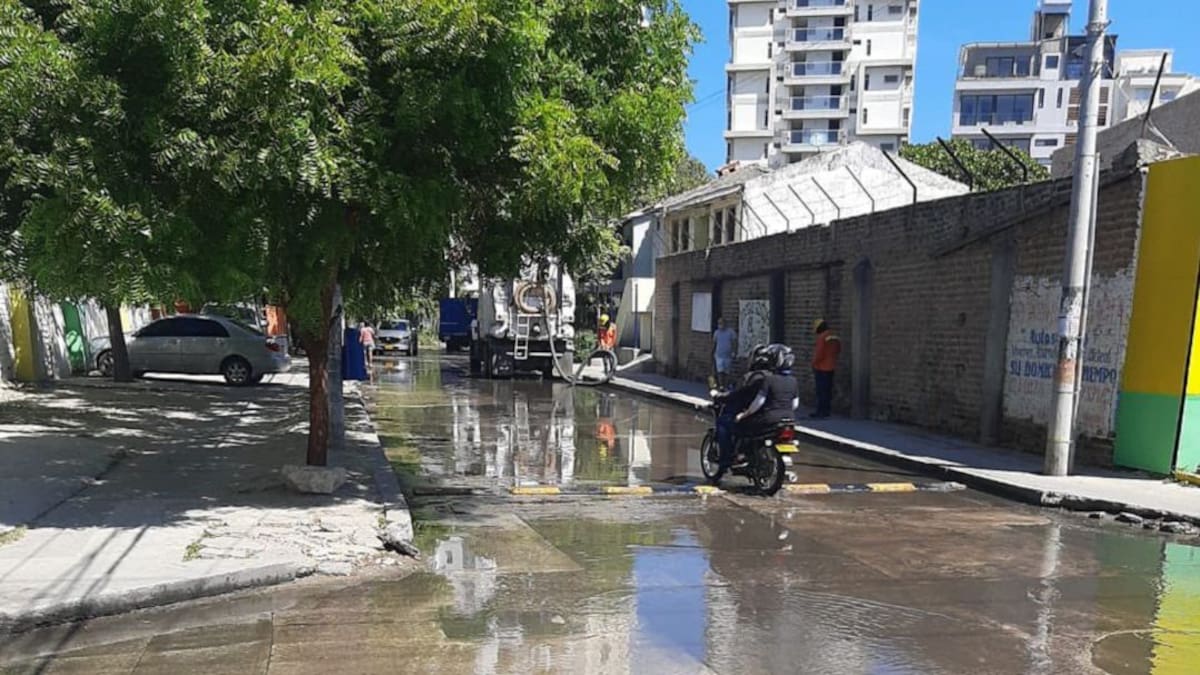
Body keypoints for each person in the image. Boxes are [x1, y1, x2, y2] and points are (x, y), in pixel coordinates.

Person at [711, 344, 772, 474]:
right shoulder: (775, 378)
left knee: (722, 423)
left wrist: (720, 397)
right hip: (770, 418)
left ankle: (725, 460)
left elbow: (737, 394)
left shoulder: (751, 378)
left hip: (752, 417)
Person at [734, 343, 800, 443]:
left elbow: (758, 402)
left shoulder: (769, 380)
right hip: (789, 420)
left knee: (742, 428)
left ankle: (741, 456)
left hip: (769, 420)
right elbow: (794, 404)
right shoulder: (793, 381)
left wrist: (744, 414)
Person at [811, 319, 841, 419]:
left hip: (821, 367)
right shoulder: (833, 336)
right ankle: (827, 410)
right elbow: (838, 349)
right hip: (831, 366)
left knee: (821, 391)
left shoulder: (822, 337)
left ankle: (821, 412)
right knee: (828, 391)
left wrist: (814, 363)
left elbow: (819, 353)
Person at [712, 317, 737, 388]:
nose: (720, 325)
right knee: (720, 371)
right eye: (719, 323)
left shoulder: (731, 332)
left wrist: (734, 352)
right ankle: (721, 386)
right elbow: (714, 343)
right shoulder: (716, 332)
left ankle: (726, 385)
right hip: (718, 355)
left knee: (727, 372)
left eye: (721, 323)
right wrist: (712, 352)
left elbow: (734, 342)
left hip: (728, 355)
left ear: (725, 324)